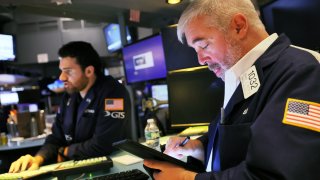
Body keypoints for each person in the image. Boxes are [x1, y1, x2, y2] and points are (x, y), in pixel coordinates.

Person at [144, 0, 320, 179]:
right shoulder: (242, 73)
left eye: (203, 45)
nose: (201, 60)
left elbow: (275, 174)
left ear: (239, 26)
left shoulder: (300, 72)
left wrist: (186, 178)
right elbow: (237, 141)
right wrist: (198, 147)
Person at [9, 41, 131, 172]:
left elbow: (103, 144)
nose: (61, 77)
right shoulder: (70, 96)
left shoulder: (113, 92)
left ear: (89, 71)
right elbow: (56, 138)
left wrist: (66, 151)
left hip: (113, 169)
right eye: (61, 71)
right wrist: (38, 158)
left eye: (68, 71)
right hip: (80, 170)